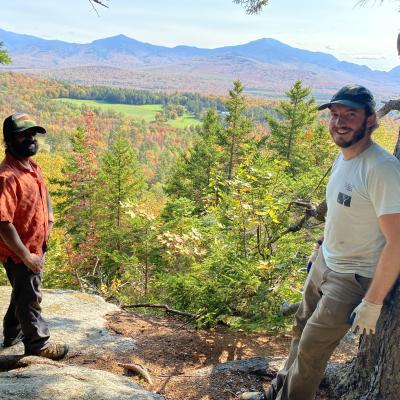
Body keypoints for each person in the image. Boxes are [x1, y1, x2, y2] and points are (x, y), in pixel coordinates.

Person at [241, 85, 400, 400]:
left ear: (370, 120)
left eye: (350, 115)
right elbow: (342, 214)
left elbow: (397, 241)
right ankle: (275, 394)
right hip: (326, 263)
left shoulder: (381, 170)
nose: (339, 122)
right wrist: (320, 249)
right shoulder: (343, 158)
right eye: (335, 114)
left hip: (353, 278)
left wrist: (372, 303)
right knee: (300, 330)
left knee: (312, 350)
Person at [0, 113, 68, 360]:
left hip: (36, 245)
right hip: (20, 251)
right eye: (23, 134)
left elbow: (43, 194)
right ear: (10, 139)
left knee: (23, 289)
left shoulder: (32, 167)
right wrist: (26, 256)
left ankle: (12, 331)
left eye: (33, 133)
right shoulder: (7, 177)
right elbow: (3, 223)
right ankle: (38, 344)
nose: (30, 138)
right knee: (30, 296)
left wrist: (49, 218)